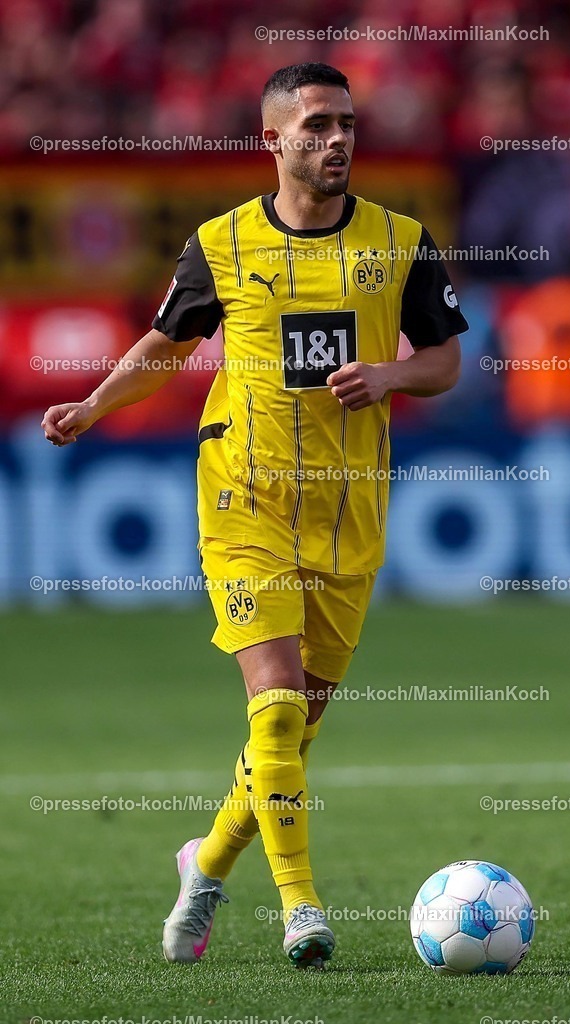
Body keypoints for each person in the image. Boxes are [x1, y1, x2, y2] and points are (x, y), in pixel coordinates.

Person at [41, 62, 468, 969]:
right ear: (272, 140)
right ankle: (300, 910)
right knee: (272, 710)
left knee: (294, 732)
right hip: (245, 499)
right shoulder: (222, 243)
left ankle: (205, 863)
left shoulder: (399, 241)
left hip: (350, 511)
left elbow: (443, 362)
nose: (336, 140)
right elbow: (167, 344)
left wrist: (389, 374)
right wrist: (91, 406)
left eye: (345, 123)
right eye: (314, 125)